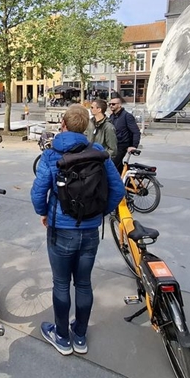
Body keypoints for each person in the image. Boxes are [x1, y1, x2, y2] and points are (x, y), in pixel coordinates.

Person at [30, 104, 124, 355]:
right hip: (90, 230)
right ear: (86, 126)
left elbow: (39, 192)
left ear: (63, 124)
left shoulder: (51, 155)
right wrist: (98, 213)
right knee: (83, 283)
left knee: (61, 283)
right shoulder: (98, 153)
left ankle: (62, 337)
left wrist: (43, 213)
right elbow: (118, 190)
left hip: (61, 229)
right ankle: (80, 336)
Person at [108, 96, 141, 173]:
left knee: (111, 166)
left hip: (122, 145)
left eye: (113, 104)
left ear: (119, 105)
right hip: (114, 145)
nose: (111, 106)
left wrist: (133, 146)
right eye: (109, 104)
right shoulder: (112, 116)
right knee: (118, 167)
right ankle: (126, 182)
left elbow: (136, 132)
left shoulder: (127, 116)